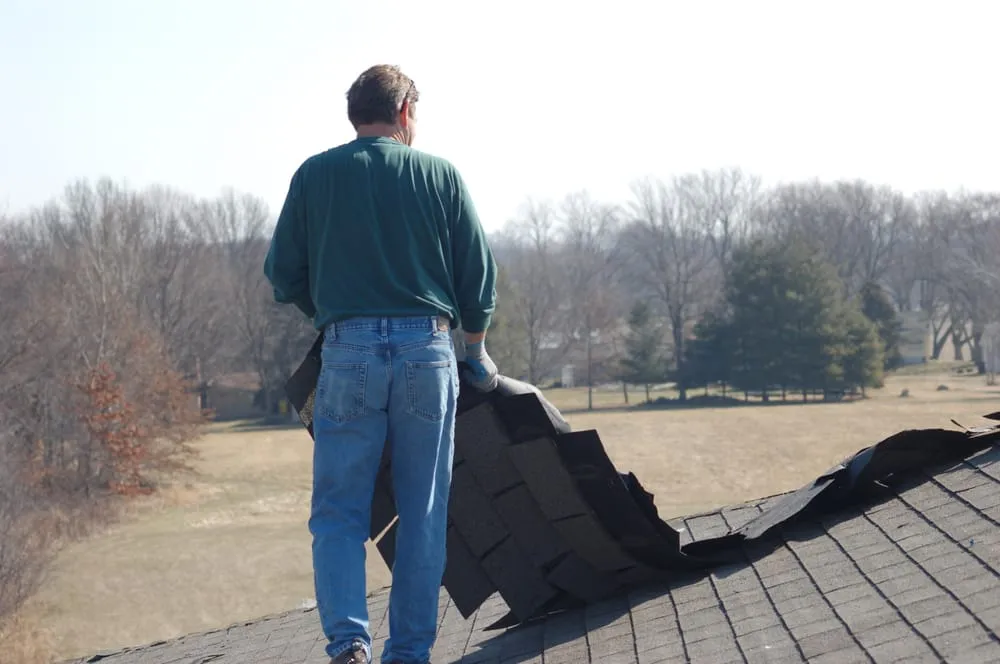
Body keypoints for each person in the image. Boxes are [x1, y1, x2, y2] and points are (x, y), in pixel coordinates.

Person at [263, 64, 499, 664]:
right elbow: (477, 280)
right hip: (428, 352)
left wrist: (335, 313)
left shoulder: (315, 175)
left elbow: (282, 274)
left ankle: (348, 644)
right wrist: (474, 352)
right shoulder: (440, 174)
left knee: (339, 511)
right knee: (422, 511)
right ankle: (408, 654)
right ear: (402, 113)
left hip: (348, 356)